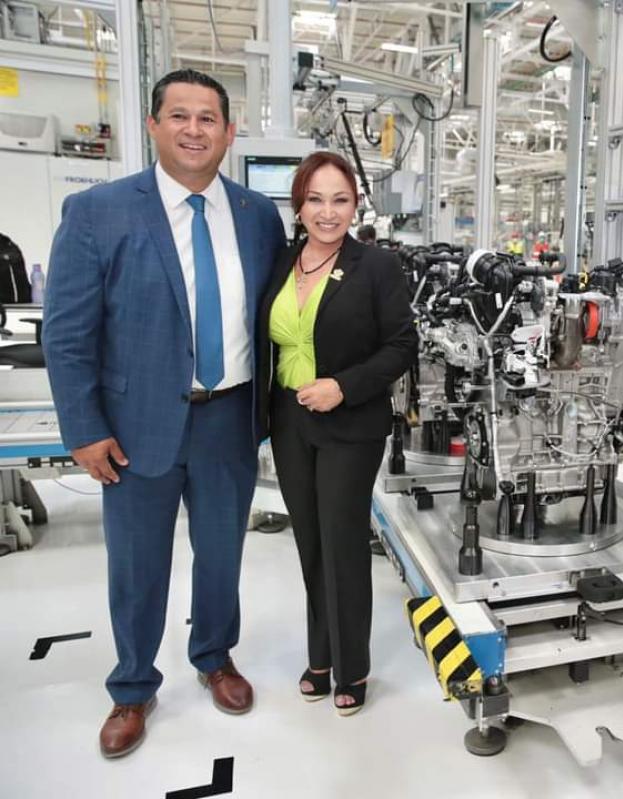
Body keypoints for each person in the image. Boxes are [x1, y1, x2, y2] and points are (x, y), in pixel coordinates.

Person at [42, 69, 287, 758]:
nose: (193, 129)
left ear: (229, 133)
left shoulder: (257, 216)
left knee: (222, 553)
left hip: (228, 418)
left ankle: (213, 655)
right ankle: (132, 685)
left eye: (208, 118)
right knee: (137, 563)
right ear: (152, 125)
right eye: (178, 115)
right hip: (134, 424)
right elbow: (66, 333)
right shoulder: (99, 212)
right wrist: (84, 428)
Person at [256, 151, 417, 716]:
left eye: (340, 200)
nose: (328, 212)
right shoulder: (280, 262)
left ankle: (352, 667)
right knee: (309, 541)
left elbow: (402, 344)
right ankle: (319, 655)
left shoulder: (376, 266)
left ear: (356, 206)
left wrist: (343, 387)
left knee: (342, 541)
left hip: (348, 421)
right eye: (316, 199)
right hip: (289, 420)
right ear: (298, 206)